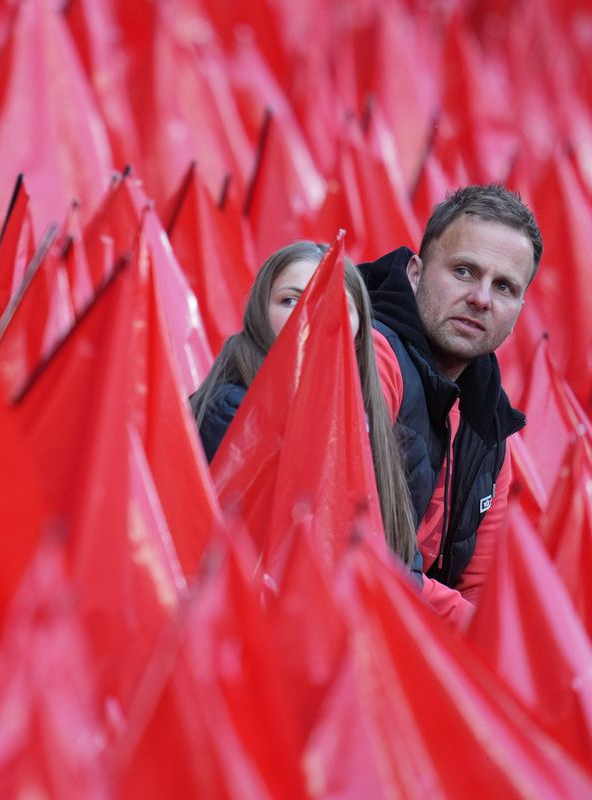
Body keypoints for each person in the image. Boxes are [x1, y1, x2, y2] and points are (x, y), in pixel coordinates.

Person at [359, 184, 539, 604]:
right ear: (415, 272)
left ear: (519, 311)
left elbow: (483, 592)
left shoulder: (491, 425)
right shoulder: (368, 354)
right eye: (464, 271)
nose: (480, 299)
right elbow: (351, 549)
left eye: (504, 287)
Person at [190, 241, 418, 568]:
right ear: (259, 315)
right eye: (291, 300)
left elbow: (401, 567)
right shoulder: (230, 412)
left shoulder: (370, 429)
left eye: (333, 303)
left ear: (357, 333)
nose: (310, 313)